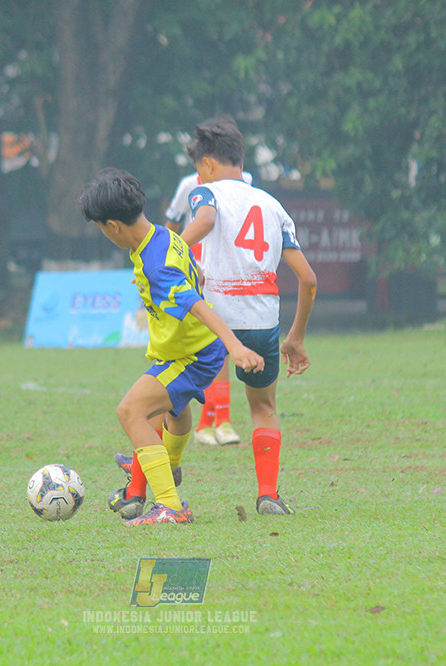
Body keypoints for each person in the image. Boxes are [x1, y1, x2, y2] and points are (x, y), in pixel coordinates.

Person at [79, 167, 265, 526]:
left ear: (114, 226)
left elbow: (197, 302)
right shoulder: (165, 236)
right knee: (174, 412)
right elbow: (198, 273)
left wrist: (236, 347)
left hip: (192, 356)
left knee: (131, 411)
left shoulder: (155, 265)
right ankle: (168, 465)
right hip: (190, 350)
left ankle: (170, 505)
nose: (104, 235)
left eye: (102, 228)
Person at [179, 115, 317, 515]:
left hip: (214, 323)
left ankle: (141, 491)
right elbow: (307, 280)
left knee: (168, 398)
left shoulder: (204, 194)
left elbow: (204, 222)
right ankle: (268, 495)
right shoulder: (273, 205)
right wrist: (295, 337)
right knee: (263, 408)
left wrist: (169, 248)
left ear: (205, 164)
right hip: (261, 326)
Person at [164, 169, 252, 447]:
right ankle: (218, 422)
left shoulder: (245, 181)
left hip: (226, 272)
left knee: (219, 344)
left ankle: (210, 424)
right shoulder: (189, 184)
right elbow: (172, 224)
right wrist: (163, 259)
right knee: (215, 344)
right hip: (197, 272)